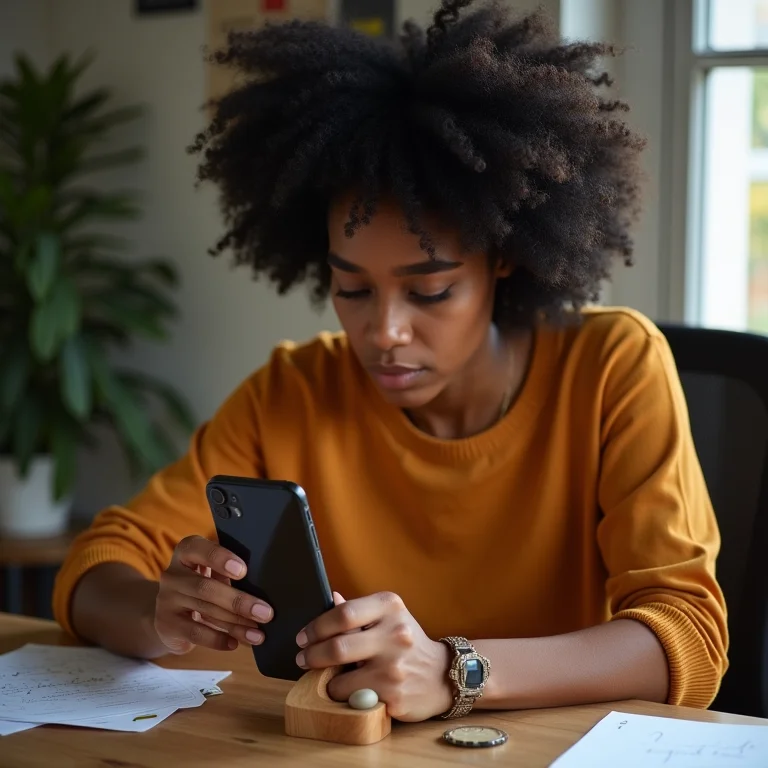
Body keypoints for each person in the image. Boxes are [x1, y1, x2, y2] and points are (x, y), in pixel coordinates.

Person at [53, 0, 728, 723]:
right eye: (352, 288)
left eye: (429, 290)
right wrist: (160, 613)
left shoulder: (611, 367)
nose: (386, 332)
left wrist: (456, 670)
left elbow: (685, 636)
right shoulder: (293, 392)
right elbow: (98, 565)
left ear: (503, 258)